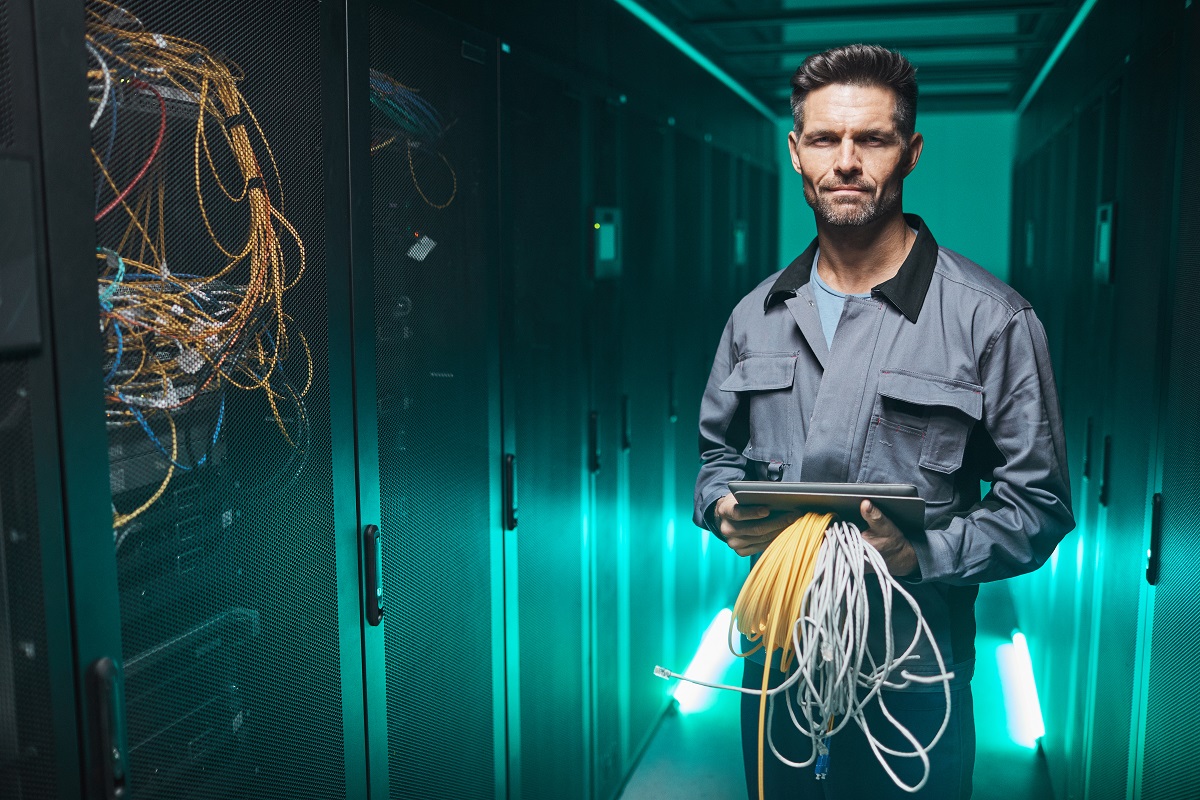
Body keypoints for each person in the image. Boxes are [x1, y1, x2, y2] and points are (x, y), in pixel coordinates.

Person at [692, 44, 1075, 799]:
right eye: (826, 139)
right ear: (796, 151)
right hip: (781, 669)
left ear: (910, 152)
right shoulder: (756, 316)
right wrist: (722, 507)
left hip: (916, 675)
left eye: (872, 139)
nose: (846, 161)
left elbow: (1040, 506)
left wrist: (921, 556)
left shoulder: (991, 321)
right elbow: (714, 457)